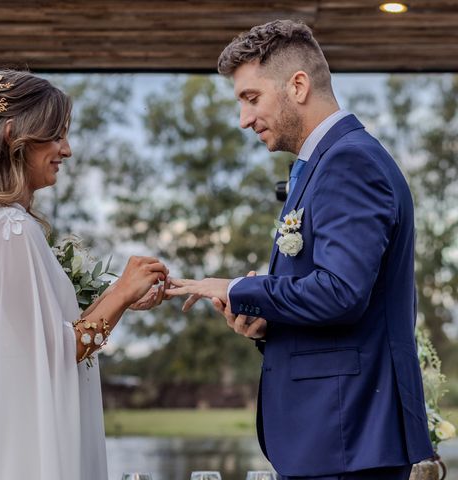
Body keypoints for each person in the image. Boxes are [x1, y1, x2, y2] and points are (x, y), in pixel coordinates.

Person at [166, 20, 434, 480]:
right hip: (332, 438)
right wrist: (267, 320)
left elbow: (341, 292)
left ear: (298, 85)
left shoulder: (349, 162)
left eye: (251, 98)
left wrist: (236, 288)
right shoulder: (322, 163)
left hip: (348, 437)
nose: (244, 119)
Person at [0, 70, 168, 480]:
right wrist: (121, 292)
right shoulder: (10, 231)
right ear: (15, 137)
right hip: (23, 452)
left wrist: (120, 299)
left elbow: (30, 338)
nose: (66, 150)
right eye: (55, 135)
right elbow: (58, 351)